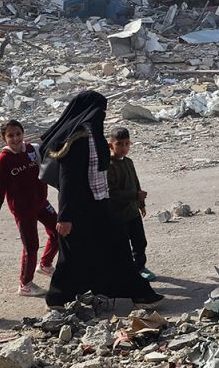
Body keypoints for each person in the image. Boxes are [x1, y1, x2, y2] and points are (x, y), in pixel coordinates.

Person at [38, 91, 162, 309]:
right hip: (78, 209)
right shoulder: (75, 140)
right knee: (72, 256)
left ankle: (139, 294)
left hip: (99, 206)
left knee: (117, 248)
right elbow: (68, 181)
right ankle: (58, 298)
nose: (102, 115)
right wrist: (65, 216)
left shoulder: (92, 135)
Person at [0, 119, 58, 298]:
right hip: (23, 210)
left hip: (40, 202)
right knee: (31, 246)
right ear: (4, 138)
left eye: (18, 134)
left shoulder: (33, 150)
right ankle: (25, 284)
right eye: (10, 136)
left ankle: (45, 264)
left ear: (23, 134)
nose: (16, 139)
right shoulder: (4, 160)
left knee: (58, 230)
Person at [107, 126, 153, 281]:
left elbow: (135, 182)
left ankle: (140, 267)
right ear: (111, 144)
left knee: (140, 242)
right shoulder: (108, 166)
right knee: (121, 245)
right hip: (118, 214)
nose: (124, 148)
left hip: (132, 211)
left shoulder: (129, 162)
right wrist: (135, 195)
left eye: (127, 144)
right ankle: (124, 271)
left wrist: (141, 204)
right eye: (120, 144)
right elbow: (112, 192)